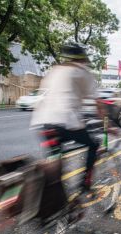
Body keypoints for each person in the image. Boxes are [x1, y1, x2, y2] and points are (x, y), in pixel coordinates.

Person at [30, 43, 100, 191]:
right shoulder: (82, 71)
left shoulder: (54, 71)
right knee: (93, 144)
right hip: (66, 121)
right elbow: (97, 102)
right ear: (82, 59)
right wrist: (109, 125)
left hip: (43, 122)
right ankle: (86, 182)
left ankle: (56, 196)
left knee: (55, 161)